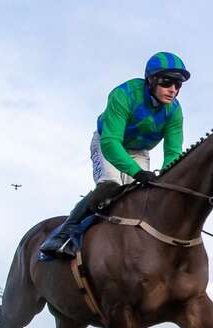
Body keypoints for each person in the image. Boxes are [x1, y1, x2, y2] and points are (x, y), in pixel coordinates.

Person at [40, 51, 190, 258]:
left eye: (178, 85)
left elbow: (173, 152)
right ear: (151, 79)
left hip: (138, 150)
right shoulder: (124, 94)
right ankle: (63, 234)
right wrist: (137, 173)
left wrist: (167, 178)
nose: (172, 90)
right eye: (167, 82)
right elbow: (110, 143)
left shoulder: (174, 111)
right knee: (111, 186)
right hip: (108, 142)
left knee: (142, 197)